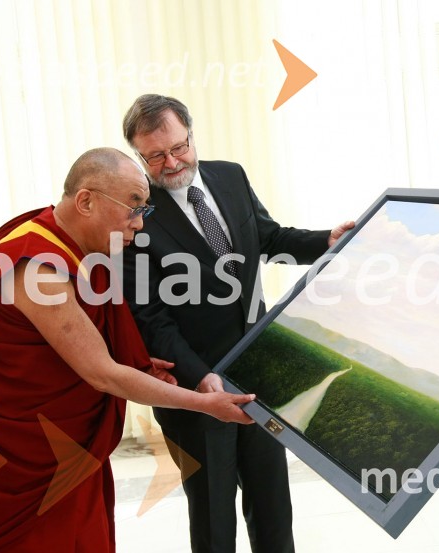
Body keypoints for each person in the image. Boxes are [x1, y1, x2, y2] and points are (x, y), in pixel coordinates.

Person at [0, 148, 256, 552]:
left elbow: (74, 344)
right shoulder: (36, 264)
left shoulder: (76, 246)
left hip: (62, 445)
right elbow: (101, 373)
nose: (139, 226)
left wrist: (132, 361)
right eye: (132, 209)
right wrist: (204, 404)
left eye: (145, 211)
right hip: (14, 455)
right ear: (86, 200)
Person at [120, 94, 354, 553]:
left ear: (191, 133)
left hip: (257, 370)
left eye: (178, 147)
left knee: (272, 504)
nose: (171, 163)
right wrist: (200, 380)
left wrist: (325, 240)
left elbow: (267, 237)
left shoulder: (230, 175)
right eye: (154, 156)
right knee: (213, 517)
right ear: (138, 156)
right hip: (192, 389)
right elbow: (152, 320)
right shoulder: (134, 217)